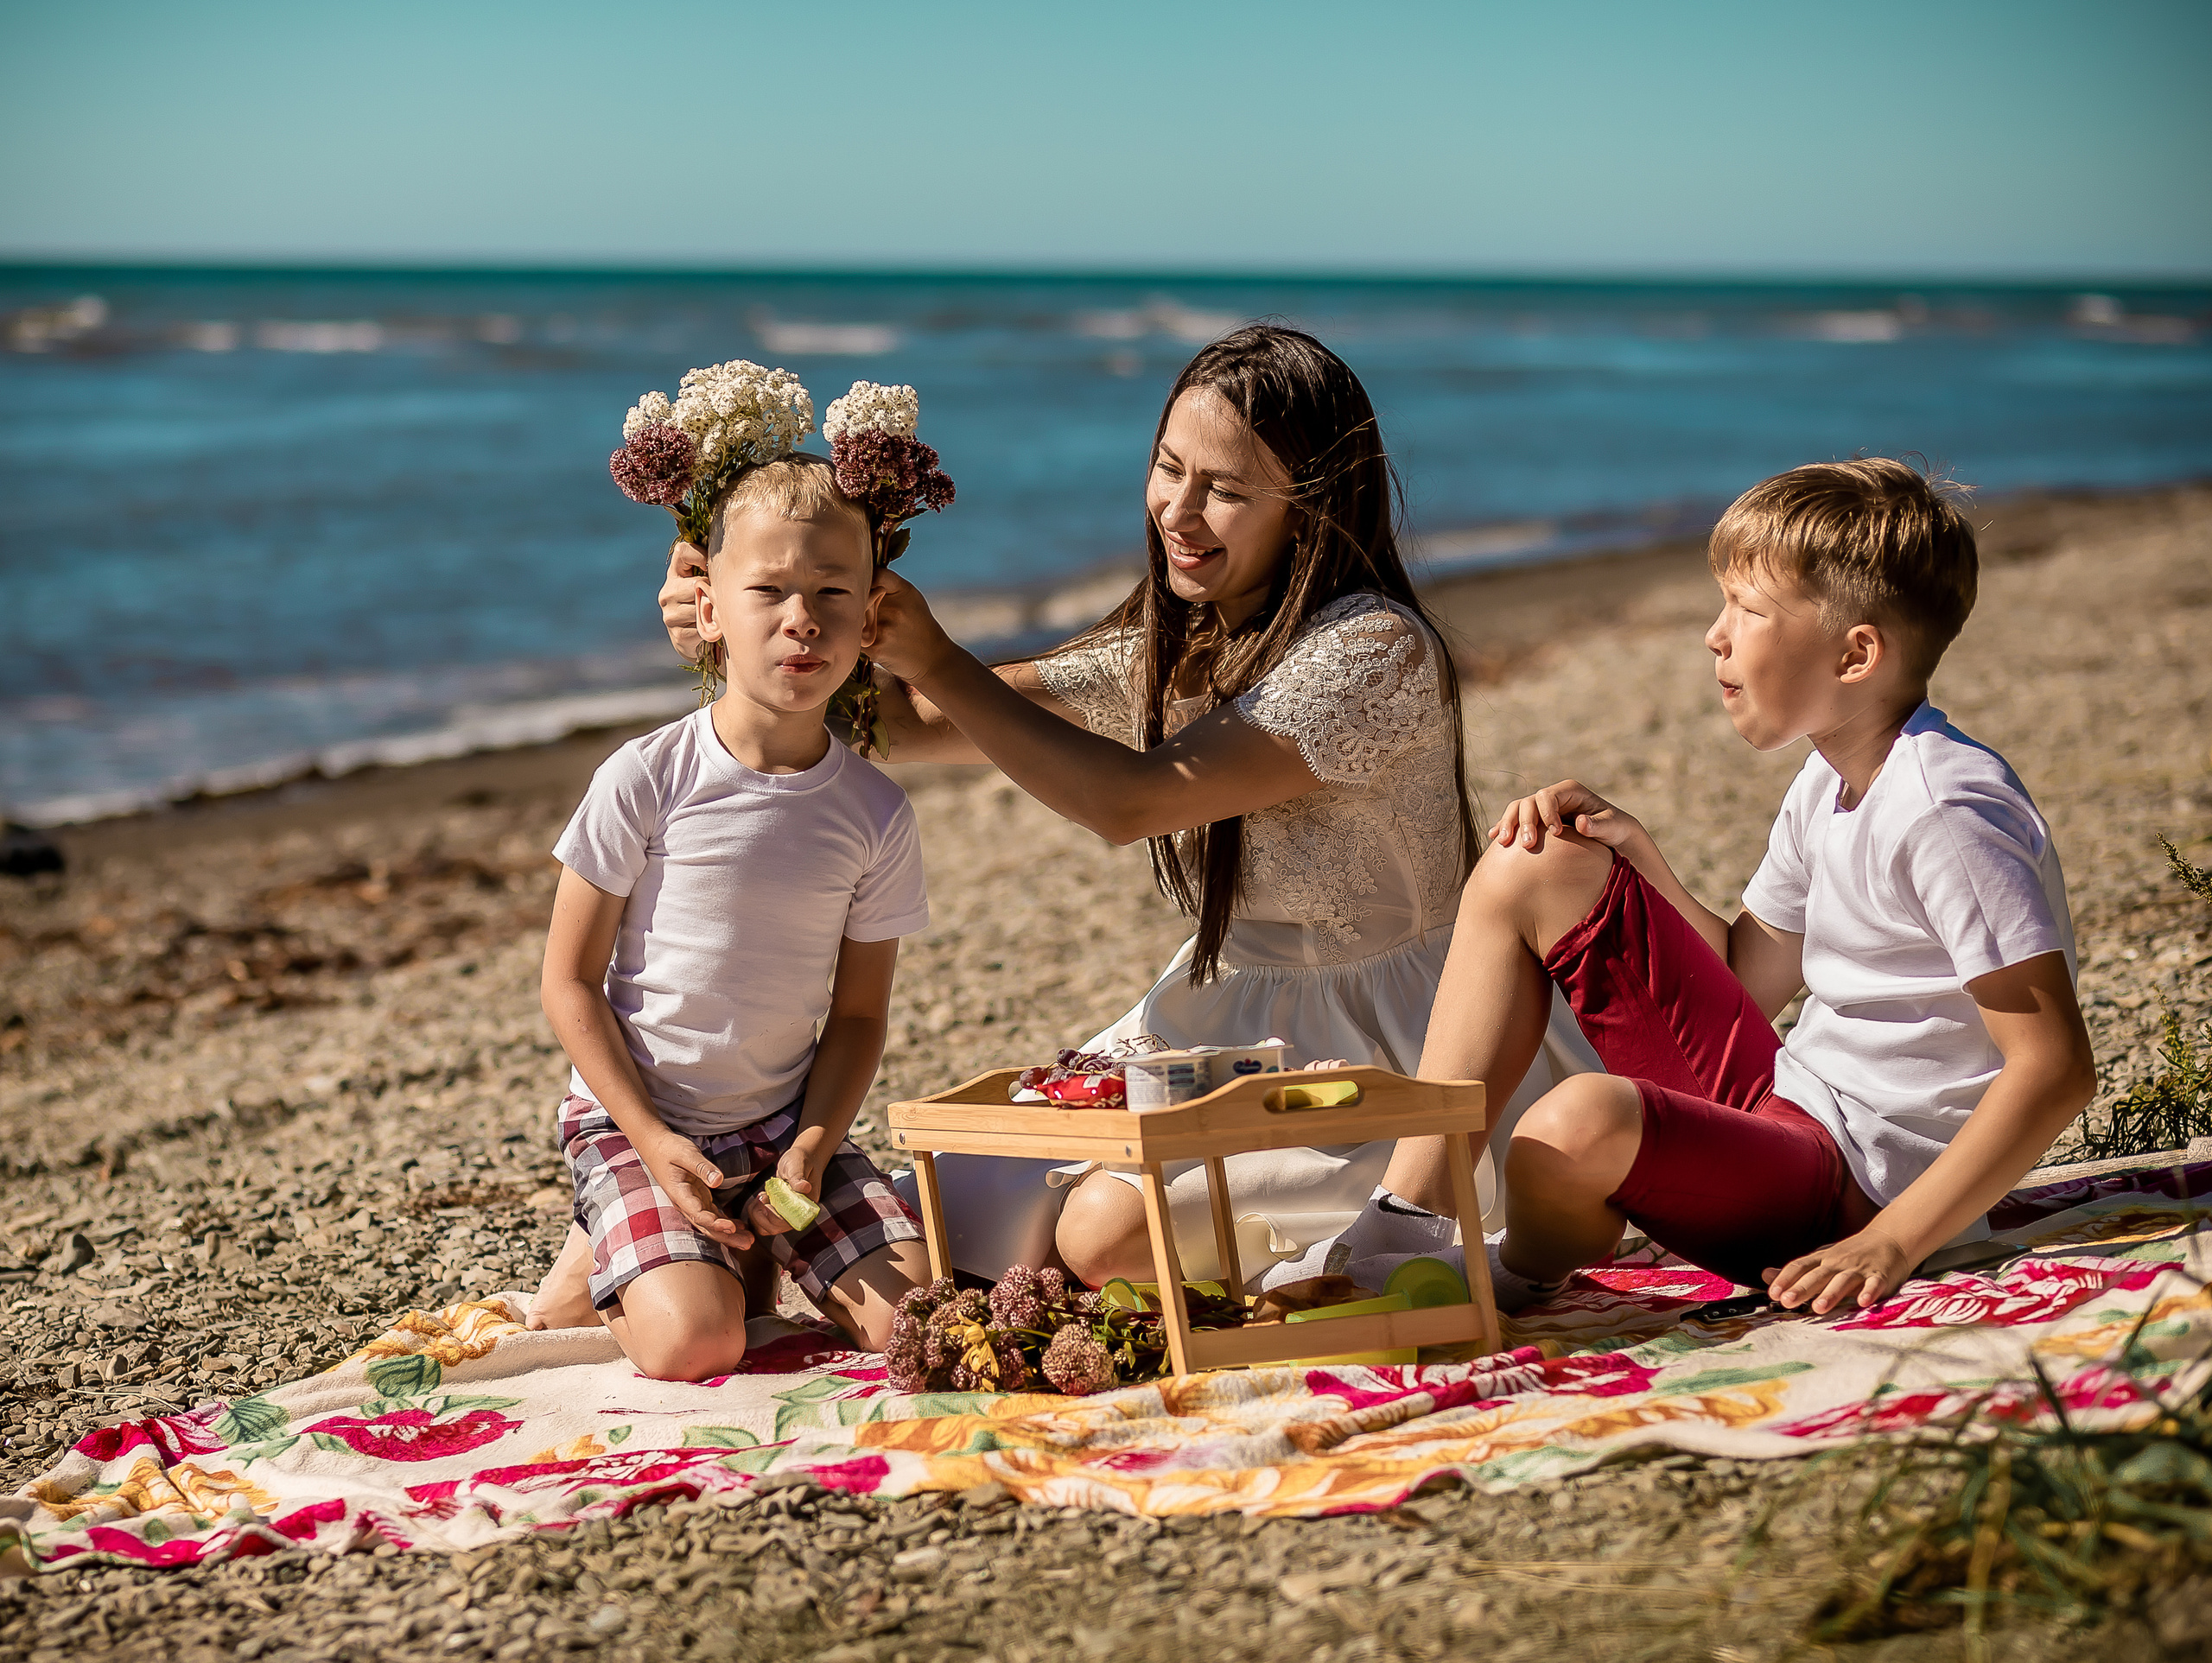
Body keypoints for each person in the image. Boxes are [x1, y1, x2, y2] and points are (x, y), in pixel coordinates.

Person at [664, 325, 1599, 1287]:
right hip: (1224, 1016)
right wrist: (739, 626)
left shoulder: (1375, 652)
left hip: (1398, 1041)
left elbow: (1130, 802)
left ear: (1310, 508)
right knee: (954, 1206)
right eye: (1169, 469)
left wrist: (937, 653)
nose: (1179, 512)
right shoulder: (1176, 640)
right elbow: (899, 724)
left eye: (1225, 490)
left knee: (1103, 1232)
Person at [1371, 457, 2094, 1313]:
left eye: (1748, 610)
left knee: (1570, 1126)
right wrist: (1639, 856)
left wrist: (1891, 1241)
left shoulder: (1945, 810)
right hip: (1788, 1104)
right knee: (1531, 860)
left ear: (1855, 653)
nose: (1715, 635)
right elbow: (1748, 976)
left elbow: (2054, 1066)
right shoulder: (1828, 780)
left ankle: (1518, 1270)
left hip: (1857, 1191)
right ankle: (1404, 1217)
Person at [529, 454, 931, 1377]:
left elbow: (859, 1014)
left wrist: (811, 1148)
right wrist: (652, 1137)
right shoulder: (645, 777)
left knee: (910, 1326)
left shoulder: (875, 811)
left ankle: (720, 1249)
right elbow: (567, 981)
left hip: (785, 1130)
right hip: (640, 1123)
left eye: (833, 591)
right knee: (697, 1343)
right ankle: (620, 1249)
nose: (803, 617)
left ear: (870, 615)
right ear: (709, 609)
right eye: (770, 590)